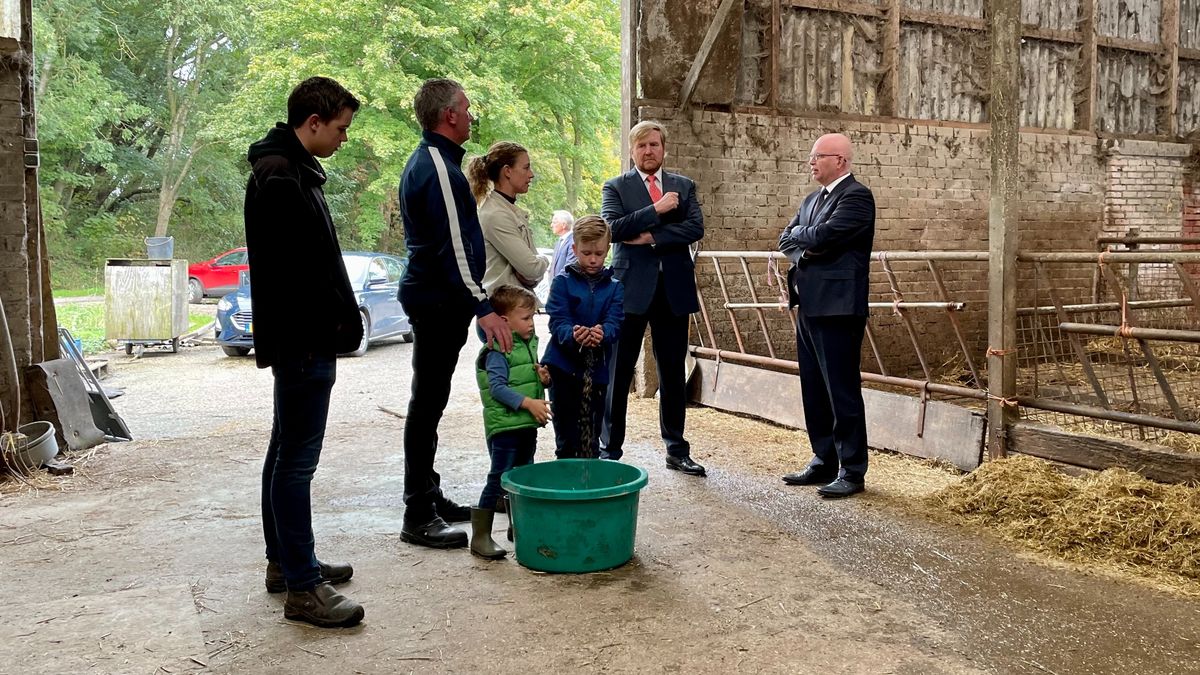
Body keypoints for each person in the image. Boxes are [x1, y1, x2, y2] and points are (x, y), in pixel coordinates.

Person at [244, 76, 364, 628]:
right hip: (304, 340)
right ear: (312, 123)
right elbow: (298, 273)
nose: (343, 137)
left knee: (284, 451)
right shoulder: (281, 176)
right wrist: (331, 323)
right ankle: (302, 587)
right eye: (340, 128)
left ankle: (287, 563)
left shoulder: (290, 168)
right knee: (296, 463)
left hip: (302, 338)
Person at [398, 78, 512, 549]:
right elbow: (455, 249)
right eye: (465, 108)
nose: (470, 116)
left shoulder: (437, 162)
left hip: (438, 298)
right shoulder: (437, 168)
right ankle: (417, 514)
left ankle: (429, 495)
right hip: (437, 300)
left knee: (430, 403)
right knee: (426, 406)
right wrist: (482, 306)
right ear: (448, 115)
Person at [600, 120, 706, 477]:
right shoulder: (616, 186)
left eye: (654, 145)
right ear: (633, 150)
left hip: (673, 289)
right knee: (618, 370)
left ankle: (677, 449)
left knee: (673, 373)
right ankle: (609, 450)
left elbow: (695, 228)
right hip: (629, 290)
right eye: (642, 145)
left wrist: (651, 237)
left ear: (664, 148)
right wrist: (656, 210)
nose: (649, 151)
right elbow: (612, 228)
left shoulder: (684, 186)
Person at [778, 132, 876, 499]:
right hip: (809, 303)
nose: (811, 162)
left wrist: (804, 236)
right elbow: (786, 239)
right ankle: (823, 459)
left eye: (818, 156)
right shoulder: (811, 200)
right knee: (814, 387)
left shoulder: (857, 197)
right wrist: (805, 247)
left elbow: (828, 234)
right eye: (812, 156)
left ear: (841, 161)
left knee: (841, 389)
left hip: (838, 305)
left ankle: (852, 469)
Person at [470, 285, 551, 559]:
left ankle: (519, 526)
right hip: (505, 426)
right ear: (504, 321)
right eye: (526, 318)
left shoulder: (526, 345)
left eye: (533, 317)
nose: (532, 323)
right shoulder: (497, 350)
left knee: (523, 475)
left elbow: (523, 379)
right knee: (499, 478)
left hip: (525, 424)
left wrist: (543, 379)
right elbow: (497, 389)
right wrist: (529, 403)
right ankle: (480, 536)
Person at [543, 215, 624, 459]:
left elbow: (615, 322)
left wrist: (603, 332)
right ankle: (566, 472)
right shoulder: (562, 282)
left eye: (599, 253)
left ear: (608, 250)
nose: (593, 259)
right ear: (574, 249)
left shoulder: (615, 287)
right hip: (562, 368)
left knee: (591, 435)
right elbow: (557, 321)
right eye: (586, 253)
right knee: (566, 437)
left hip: (596, 370)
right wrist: (573, 333)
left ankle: (589, 474)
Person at [467, 141, 548, 295]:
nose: (531, 174)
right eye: (526, 168)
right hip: (503, 305)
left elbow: (532, 274)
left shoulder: (507, 210)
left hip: (516, 302)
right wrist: (545, 260)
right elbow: (531, 268)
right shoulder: (495, 214)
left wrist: (533, 275)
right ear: (507, 171)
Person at [548, 210, 577, 278]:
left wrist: (556, 282)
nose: (551, 225)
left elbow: (569, 268)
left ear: (563, 225)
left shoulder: (573, 242)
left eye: (554, 222)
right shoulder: (559, 241)